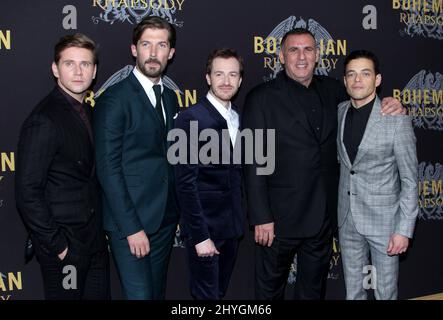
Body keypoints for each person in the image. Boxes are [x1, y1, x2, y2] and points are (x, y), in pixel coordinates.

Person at [242, 28, 405, 300]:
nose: (301, 56)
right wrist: (261, 217)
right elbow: (253, 162)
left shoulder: (335, 91)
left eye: (308, 49)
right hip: (278, 220)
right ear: (281, 57)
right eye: (293, 50)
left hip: (322, 218)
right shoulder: (261, 98)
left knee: (313, 292)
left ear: (318, 55)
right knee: (269, 292)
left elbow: (366, 99)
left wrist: (391, 104)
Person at [15, 33, 110, 300]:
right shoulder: (44, 119)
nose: (78, 72)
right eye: (70, 64)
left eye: (86, 64)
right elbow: (27, 192)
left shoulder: (90, 112)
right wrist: (60, 247)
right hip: (65, 249)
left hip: (94, 243)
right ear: (55, 69)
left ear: (94, 71)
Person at [93, 16, 179, 300]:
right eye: (146, 44)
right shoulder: (114, 99)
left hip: (164, 221)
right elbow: (108, 169)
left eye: (161, 45)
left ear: (171, 52)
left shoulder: (169, 97)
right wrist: (132, 229)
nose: (153, 53)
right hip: (130, 225)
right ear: (134, 49)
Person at [337, 50, 418, 300]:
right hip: (347, 219)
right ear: (344, 81)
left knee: (386, 293)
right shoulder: (340, 111)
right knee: (353, 292)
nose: (357, 80)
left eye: (365, 73)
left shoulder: (396, 120)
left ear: (378, 79)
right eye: (351, 74)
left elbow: (409, 180)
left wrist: (404, 229)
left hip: (385, 223)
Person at [174, 48, 244, 300]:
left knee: (219, 295)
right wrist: (200, 236)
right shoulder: (188, 118)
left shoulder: (239, 118)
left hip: (232, 230)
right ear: (208, 78)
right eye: (219, 74)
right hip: (205, 230)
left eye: (232, 75)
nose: (226, 81)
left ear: (240, 80)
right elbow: (184, 184)